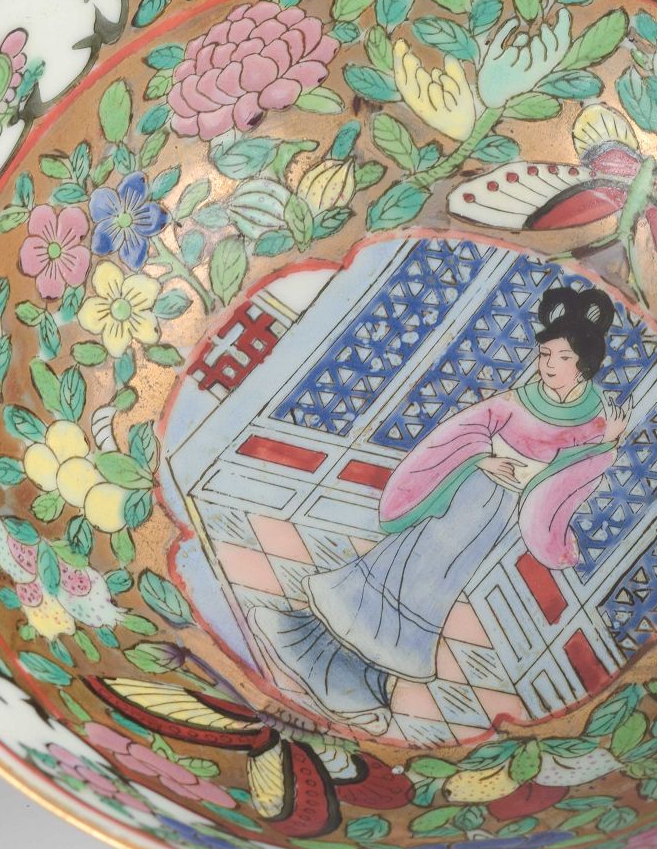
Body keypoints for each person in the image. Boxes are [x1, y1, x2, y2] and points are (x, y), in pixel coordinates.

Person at [250, 284, 627, 735]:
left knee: (435, 588)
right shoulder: (519, 398)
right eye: (545, 355)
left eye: (561, 357)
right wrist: (483, 459)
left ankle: (365, 685)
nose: (548, 365)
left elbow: (570, 471)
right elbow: (466, 431)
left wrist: (605, 444)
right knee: (399, 567)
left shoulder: (593, 418)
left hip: (498, 515)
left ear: (583, 364)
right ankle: (304, 642)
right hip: (463, 493)